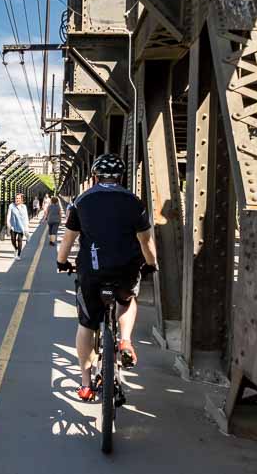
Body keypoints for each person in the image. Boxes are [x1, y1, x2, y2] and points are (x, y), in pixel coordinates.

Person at [55, 153, 158, 401]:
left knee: (86, 324)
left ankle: (86, 384)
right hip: (125, 269)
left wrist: (61, 262)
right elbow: (145, 241)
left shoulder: (81, 201)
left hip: (92, 271)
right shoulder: (134, 202)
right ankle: (124, 341)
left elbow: (68, 240)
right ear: (121, 177)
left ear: (94, 176)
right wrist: (151, 264)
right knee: (127, 300)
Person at [6, 193, 30, 260]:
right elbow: (8, 215)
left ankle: (18, 255)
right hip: (13, 226)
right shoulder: (11, 206)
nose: (17, 200)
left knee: (19, 240)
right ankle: (16, 249)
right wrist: (8, 223)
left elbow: (26, 216)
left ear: (21, 199)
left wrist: (27, 225)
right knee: (13, 240)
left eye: (19, 198)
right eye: (16, 198)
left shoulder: (24, 206)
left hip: (21, 226)